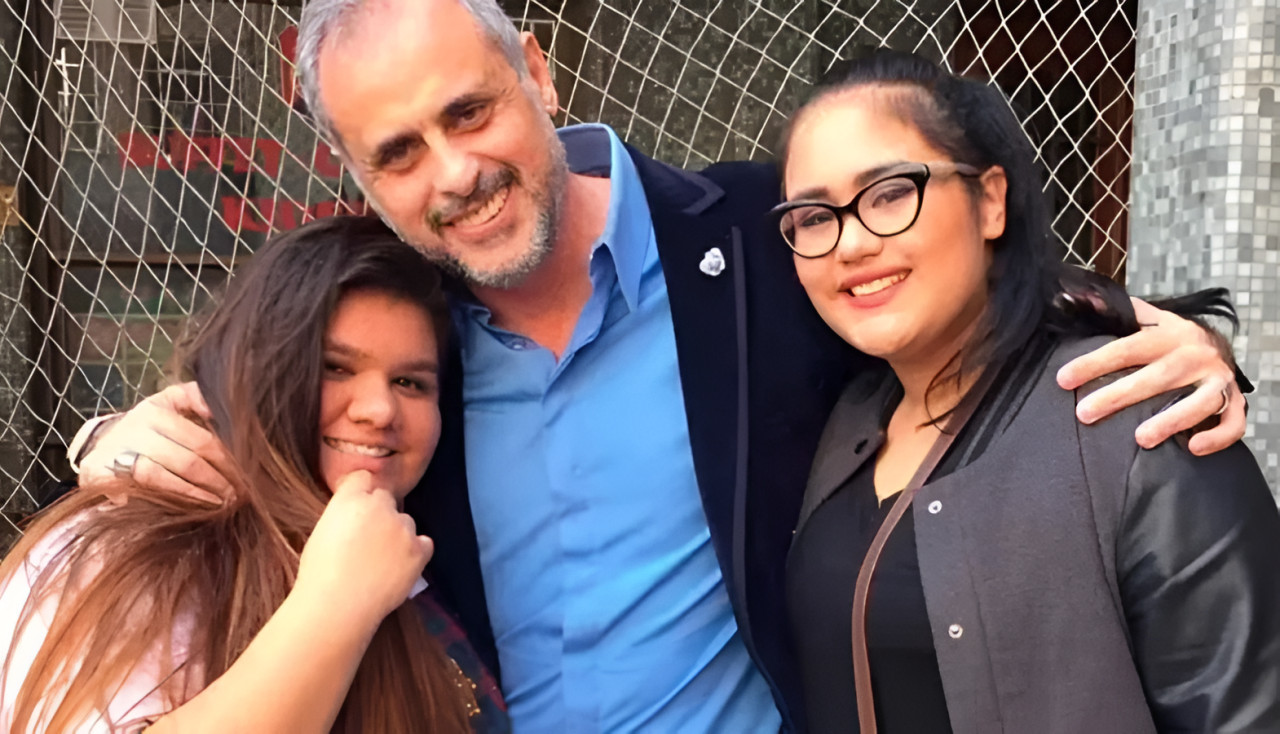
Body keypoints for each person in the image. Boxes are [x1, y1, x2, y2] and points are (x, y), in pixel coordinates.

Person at [66, 1, 1249, 730]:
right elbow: (259, 430)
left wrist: (1161, 329)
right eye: (398, 152)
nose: (452, 172)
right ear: (361, 177)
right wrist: (110, 443)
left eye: (469, 111)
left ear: (536, 71)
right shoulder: (392, 353)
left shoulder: (754, 234)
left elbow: (926, 266)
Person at [780, 50, 1280, 733]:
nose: (851, 242)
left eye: (892, 192)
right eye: (813, 216)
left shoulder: (1137, 426)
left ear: (990, 200)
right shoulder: (845, 424)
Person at [1, 217, 509, 733]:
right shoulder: (126, 558)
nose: (380, 409)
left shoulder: (436, 528)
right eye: (334, 367)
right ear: (258, 367)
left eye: (410, 381)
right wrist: (334, 605)